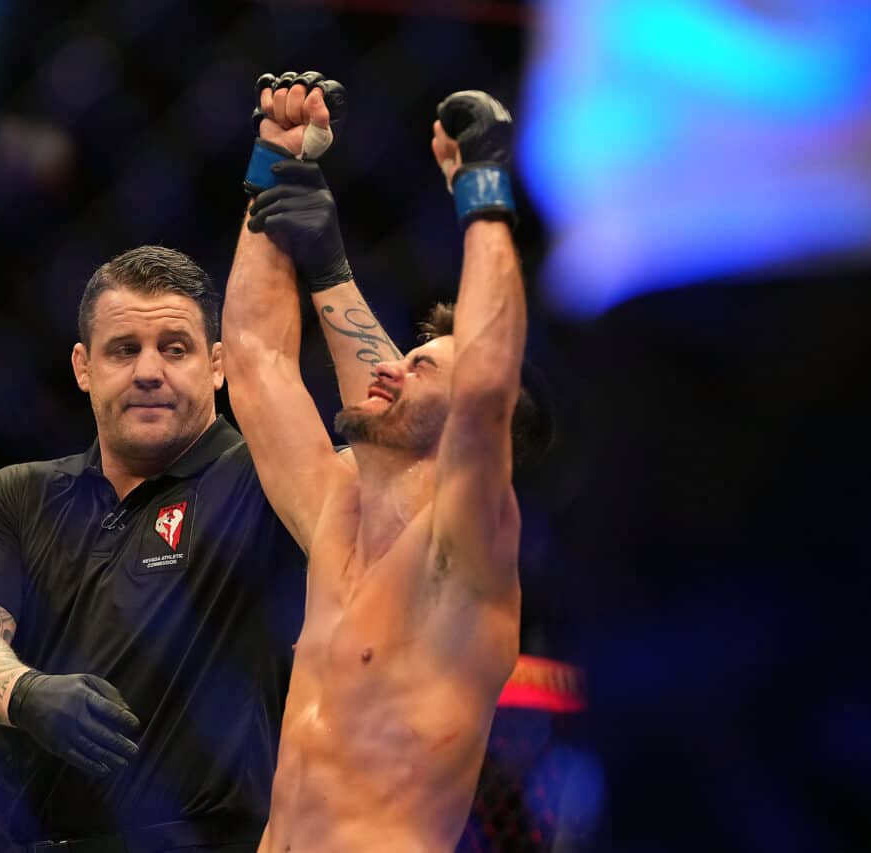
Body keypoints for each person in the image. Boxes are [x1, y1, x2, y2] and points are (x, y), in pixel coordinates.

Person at [0, 84, 400, 847]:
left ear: (216, 364)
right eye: (124, 349)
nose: (149, 370)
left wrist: (327, 266)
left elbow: (395, 445)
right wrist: (24, 691)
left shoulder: (261, 482)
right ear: (83, 368)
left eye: (174, 348)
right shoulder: (19, 496)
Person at [224, 79, 534, 851]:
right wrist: (272, 162)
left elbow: (485, 389)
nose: (390, 366)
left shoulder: (464, 553)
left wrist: (482, 191)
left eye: (422, 366)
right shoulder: (336, 512)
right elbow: (256, 360)